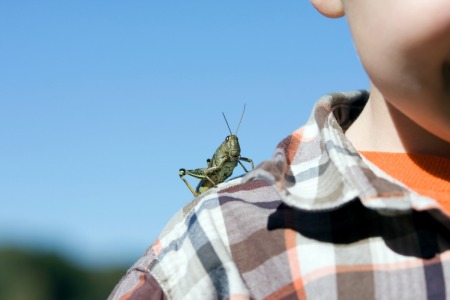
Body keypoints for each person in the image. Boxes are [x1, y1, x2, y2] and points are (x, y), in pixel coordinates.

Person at [109, 0, 450, 299]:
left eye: (235, 142)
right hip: (211, 178)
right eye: (231, 141)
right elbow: (221, 167)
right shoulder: (209, 253)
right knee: (195, 171)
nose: (234, 144)